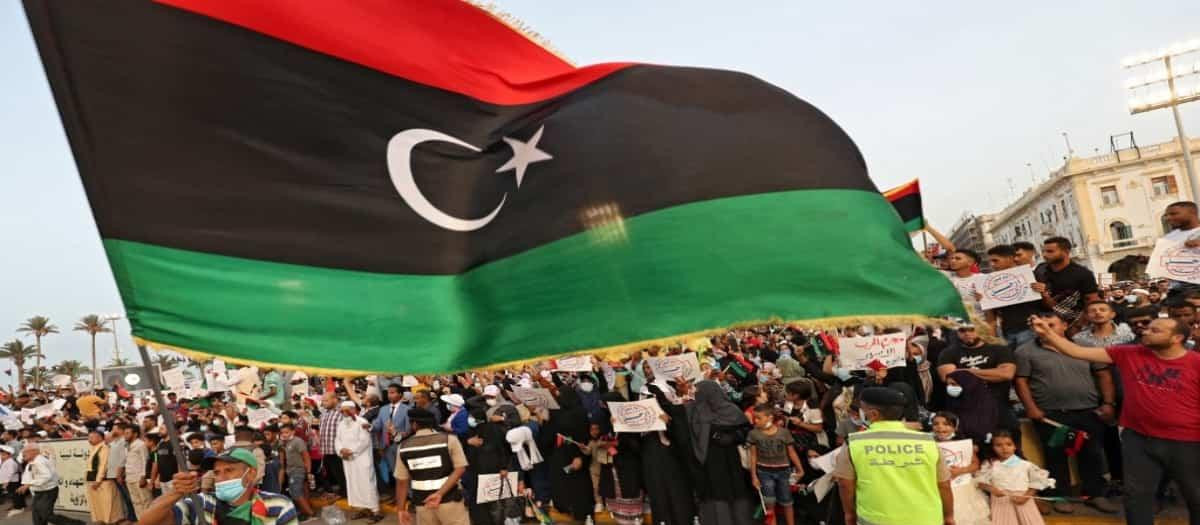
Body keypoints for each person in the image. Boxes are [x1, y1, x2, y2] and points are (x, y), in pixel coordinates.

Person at [1029, 314, 1200, 525]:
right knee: (1136, 496)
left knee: (1195, 496)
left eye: (1155, 330)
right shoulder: (1129, 353)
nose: (1145, 331)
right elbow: (1076, 351)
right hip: (1138, 439)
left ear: (1177, 338)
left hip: (1187, 442)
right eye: (1148, 328)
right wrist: (1047, 333)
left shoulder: (1196, 363)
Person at [1013, 312, 1119, 514]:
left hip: (1088, 411)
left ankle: (1094, 494)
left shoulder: (1084, 348)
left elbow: (1103, 374)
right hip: (1051, 415)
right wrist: (1031, 408)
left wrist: (1108, 403)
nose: (1045, 329)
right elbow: (1021, 381)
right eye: (1040, 325)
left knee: (1092, 454)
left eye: (1051, 324)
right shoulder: (1024, 351)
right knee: (1055, 456)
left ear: (1064, 325)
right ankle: (1060, 496)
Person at [833, 387, 955, 525]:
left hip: (876, 520)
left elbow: (845, 484)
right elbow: (944, 485)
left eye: (863, 409)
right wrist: (949, 516)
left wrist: (849, 515)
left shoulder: (854, 443)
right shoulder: (927, 442)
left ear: (873, 414)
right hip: (927, 519)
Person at [138, 449, 298, 525]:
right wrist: (176, 493)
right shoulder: (203, 504)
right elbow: (147, 522)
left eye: (229, 470)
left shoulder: (278, 505)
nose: (221, 478)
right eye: (216, 472)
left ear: (251, 473)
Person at [685, 380, 756, 525]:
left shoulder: (731, 409)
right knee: (716, 494)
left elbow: (747, 431)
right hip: (709, 462)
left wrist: (732, 437)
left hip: (730, 461)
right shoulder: (693, 409)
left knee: (734, 492)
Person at [936, 323, 1018, 436]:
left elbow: (1006, 374)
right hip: (965, 408)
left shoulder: (999, 349)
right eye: (962, 330)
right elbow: (949, 378)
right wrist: (991, 373)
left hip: (999, 404)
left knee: (1011, 439)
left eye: (971, 330)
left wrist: (966, 372)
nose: (967, 334)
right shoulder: (948, 353)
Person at [394, 407, 469, 525]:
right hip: (450, 501)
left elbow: (402, 482)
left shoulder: (403, 447)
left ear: (414, 425)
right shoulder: (449, 440)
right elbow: (460, 469)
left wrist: (401, 509)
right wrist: (439, 494)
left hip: (423, 504)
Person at [976, 431, 1054, 525]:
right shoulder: (990, 465)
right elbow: (980, 482)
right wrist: (992, 489)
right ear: (993, 448)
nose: (1004, 448)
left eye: (1009, 444)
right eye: (999, 445)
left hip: (1023, 501)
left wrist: (1026, 497)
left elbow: (1036, 483)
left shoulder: (1025, 465)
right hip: (1001, 503)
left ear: (1015, 446)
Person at [747, 404, 805, 525]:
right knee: (769, 503)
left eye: (758, 418)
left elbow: (792, 452)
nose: (755, 420)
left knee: (787, 501)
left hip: (784, 472)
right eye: (754, 418)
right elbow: (753, 456)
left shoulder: (784, 433)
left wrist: (800, 469)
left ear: (770, 417)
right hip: (764, 472)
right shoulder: (753, 434)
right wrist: (754, 476)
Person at [931, 412, 989, 525]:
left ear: (954, 427)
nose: (940, 427)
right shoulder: (927, 444)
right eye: (936, 423)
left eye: (946, 424)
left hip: (961, 487)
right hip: (937, 489)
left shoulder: (963, 444)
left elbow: (975, 464)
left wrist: (959, 471)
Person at [985, 245, 1045, 347]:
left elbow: (1047, 305)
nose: (992, 265)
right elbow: (991, 314)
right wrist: (984, 298)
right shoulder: (989, 283)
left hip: (1030, 328)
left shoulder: (1032, 275)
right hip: (1007, 331)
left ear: (1009, 258)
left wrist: (1043, 291)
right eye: (990, 262)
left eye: (995, 261)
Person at [1032, 237, 1099, 325]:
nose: (1044, 255)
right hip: (1049, 323)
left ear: (1066, 252)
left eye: (1050, 251)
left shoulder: (1083, 273)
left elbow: (1092, 301)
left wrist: (1079, 325)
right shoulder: (1040, 270)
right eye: (1043, 251)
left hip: (1077, 323)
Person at [335, 401, 382, 523]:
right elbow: (337, 440)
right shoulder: (341, 424)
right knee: (353, 484)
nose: (344, 413)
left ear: (354, 410)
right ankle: (362, 509)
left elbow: (364, 441)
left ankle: (376, 511)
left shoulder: (362, 422)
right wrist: (341, 450)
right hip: (348, 460)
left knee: (367, 484)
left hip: (362, 459)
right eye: (342, 411)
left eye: (347, 410)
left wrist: (351, 451)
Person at [19, 443, 85, 525]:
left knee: (46, 515)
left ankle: (76, 524)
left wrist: (29, 484)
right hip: (40, 492)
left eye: (25, 451)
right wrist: (25, 485)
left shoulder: (39, 461)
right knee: (37, 516)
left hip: (47, 492)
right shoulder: (32, 462)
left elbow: (47, 476)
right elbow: (29, 475)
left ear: (34, 451)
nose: (23, 454)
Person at [371, 384, 409, 488]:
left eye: (392, 392)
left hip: (400, 445)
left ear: (400, 394)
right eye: (388, 392)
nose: (389, 395)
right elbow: (378, 425)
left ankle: (410, 495)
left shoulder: (407, 409)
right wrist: (369, 426)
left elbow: (408, 430)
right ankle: (399, 494)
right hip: (386, 446)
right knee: (394, 472)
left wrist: (395, 432)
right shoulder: (383, 409)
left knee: (404, 473)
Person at [86, 428, 125, 525]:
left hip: (103, 482)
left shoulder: (104, 448)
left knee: (107, 504)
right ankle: (102, 521)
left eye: (91, 437)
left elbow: (103, 465)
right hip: (92, 479)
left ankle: (110, 522)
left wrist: (98, 480)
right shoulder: (94, 448)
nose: (89, 439)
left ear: (99, 438)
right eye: (89, 437)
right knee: (98, 504)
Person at [1162, 201, 1200, 299]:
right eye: (1166, 215)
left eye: (1173, 214)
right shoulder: (1168, 237)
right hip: (1179, 291)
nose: (1168, 218)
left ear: (1192, 213)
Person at [278, 423, 315, 521]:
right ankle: (306, 512)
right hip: (291, 471)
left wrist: (308, 472)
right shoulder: (284, 443)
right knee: (302, 492)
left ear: (293, 432)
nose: (284, 434)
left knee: (295, 493)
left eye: (286, 432)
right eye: (282, 433)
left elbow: (306, 457)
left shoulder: (298, 441)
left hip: (298, 470)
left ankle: (311, 514)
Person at [316, 392, 345, 495]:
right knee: (331, 473)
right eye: (322, 401)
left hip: (337, 450)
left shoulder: (342, 412)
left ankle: (345, 492)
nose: (323, 403)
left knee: (341, 473)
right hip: (326, 449)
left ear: (335, 400)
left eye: (326, 400)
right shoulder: (324, 413)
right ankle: (337, 490)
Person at [944, 249, 984, 319]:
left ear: (970, 262)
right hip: (955, 326)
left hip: (980, 323)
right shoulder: (947, 279)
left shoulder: (982, 278)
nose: (953, 261)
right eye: (952, 258)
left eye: (958, 258)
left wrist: (983, 299)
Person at [124, 424, 152, 518]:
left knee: (146, 501)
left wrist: (143, 477)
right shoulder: (128, 445)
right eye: (125, 433)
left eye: (128, 433)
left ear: (135, 434)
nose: (125, 435)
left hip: (139, 477)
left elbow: (145, 461)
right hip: (130, 478)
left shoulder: (141, 444)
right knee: (136, 502)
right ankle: (141, 521)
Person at [0, 445, 23, 516]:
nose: (2, 456)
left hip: (12, 481)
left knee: (15, 494)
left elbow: (10, 473)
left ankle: (18, 507)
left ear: (9, 455)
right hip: (8, 481)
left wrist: (6, 482)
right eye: (1, 454)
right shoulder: (5, 461)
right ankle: (18, 505)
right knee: (13, 494)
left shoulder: (11, 462)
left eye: (4, 455)